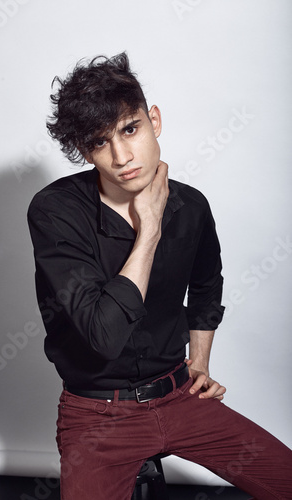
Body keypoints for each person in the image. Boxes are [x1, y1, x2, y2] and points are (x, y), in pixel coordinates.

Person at [27, 52, 292, 500]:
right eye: (100, 142)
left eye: (130, 129)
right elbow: (104, 334)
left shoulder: (191, 206)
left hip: (180, 396)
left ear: (154, 120)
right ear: (85, 151)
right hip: (99, 417)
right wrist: (148, 229)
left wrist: (200, 363)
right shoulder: (55, 212)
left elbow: (207, 286)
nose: (122, 156)